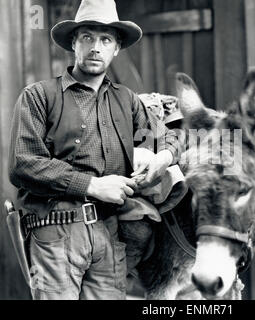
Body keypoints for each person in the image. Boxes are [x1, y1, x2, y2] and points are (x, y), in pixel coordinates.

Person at [8, 0, 180, 300]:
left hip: (110, 233)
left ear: (116, 49)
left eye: (105, 39)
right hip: (55, 233)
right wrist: (93, 185)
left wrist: (162, 158)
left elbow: (171, 138)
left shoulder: (127, 101)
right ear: (74, 43)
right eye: (87, 37)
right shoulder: (38, 96)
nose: (95, 47)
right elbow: (23, 164)